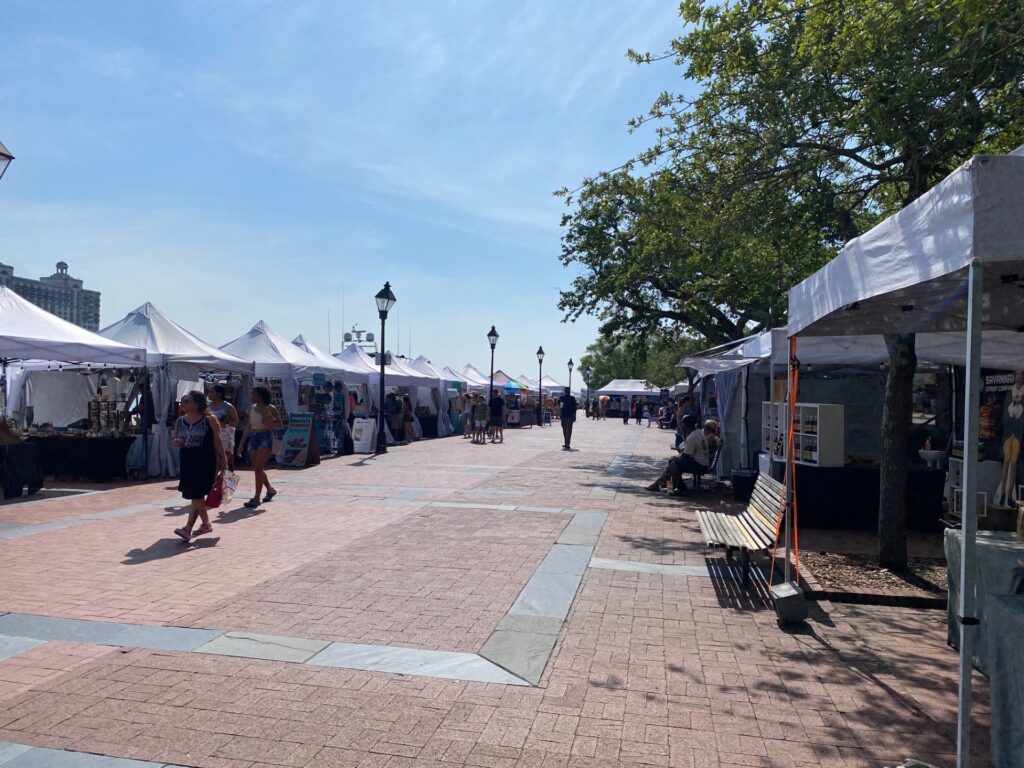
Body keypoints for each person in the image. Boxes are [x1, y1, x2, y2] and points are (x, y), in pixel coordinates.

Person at [172, 390, 227, 542]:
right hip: (187, 459)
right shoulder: (180, 421)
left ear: (197, 403)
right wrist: (178, 442)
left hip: (205, 459)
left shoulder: (209, 419)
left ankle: (188, 528)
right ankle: (206, 524)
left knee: (197, 493)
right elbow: (174, 438)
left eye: (187, 401)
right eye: (183, 402)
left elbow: (217, 441)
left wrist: (223, 461)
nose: (183, 404)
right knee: (196, 494)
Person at [237, 385, 284, 509]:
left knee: (259, 468)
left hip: (265, 437)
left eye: (254, 394)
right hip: (254, 437)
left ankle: (256, 498)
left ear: (260, 395)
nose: (251, 396)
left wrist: (269, 423)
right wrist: (241, 443)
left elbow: (280, 425)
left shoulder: (270, 408)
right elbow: (249, 426)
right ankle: (270, 489)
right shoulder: (252, 408)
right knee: (257, 468)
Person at [647, 415, 709, 496]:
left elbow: (685, 456)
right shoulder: (698, 432)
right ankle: (664, 485)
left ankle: (678, 487)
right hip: (701, 462)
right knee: (672, 465)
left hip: (700, 465)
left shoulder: (692, 437)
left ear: (685, 426)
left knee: (673, 465)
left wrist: (674, 458)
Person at [994, 370, 1024, 507]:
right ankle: (1003, 495)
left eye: (1021, 375)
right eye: (1017, 374)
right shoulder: (1008, 395)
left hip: (1017, 433)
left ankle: (1009, 496)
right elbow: (1005, 418)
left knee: (1014, 463)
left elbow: (1021, 419)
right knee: (1006, 462)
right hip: (1008, 432)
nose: (1019, 377)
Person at [208, 384, 239, 471]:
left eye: (211, 392)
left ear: (219, 394)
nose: (208, 394)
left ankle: (228, 483)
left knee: (224, 463)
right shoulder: (207, 406)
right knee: (216, 462)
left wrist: (226, 422)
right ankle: (217, 483)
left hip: (226, 438)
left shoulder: (228, 406)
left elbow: (236, 422)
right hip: (212, 436)